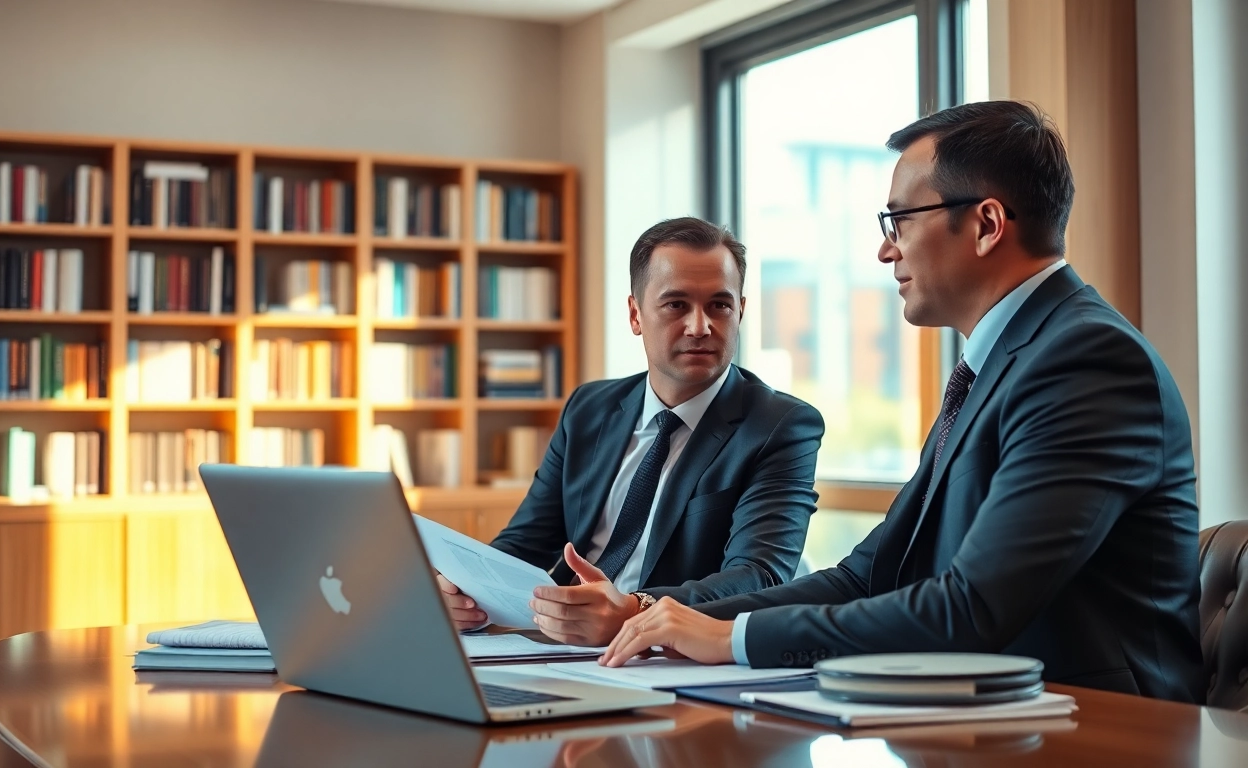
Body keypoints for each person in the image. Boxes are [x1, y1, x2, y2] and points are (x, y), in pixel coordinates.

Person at [598, 101, 1204, 704]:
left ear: (987, 224)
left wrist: (734, 639)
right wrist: (658, 619)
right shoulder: (999, 365)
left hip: (1099, 726)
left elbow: (973, 606)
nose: (886, 251)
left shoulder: (1085, 360)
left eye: (899, 221)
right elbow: (865, 576)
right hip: (982, 715)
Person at [438, 216, 825, 646]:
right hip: (557, 640)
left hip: (666, 653)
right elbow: (526, 541)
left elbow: (759, 576)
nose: (700, 326)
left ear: (740, 312)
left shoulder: (780, 426)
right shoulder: (589, 409)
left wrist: (636, 609)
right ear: (636, 314)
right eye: (676, 305)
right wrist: (464, 589)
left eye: (719, 305)